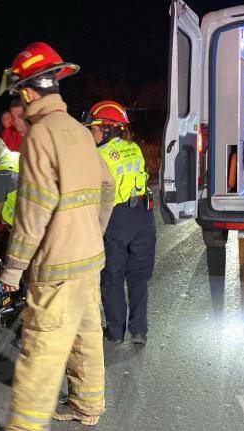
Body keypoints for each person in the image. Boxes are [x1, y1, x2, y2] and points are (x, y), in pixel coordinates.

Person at [0, 42, 115, 431]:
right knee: (85, 334)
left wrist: (13, 268)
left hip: (57, 264)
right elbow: (108, 187)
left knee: (41, 344)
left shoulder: (40, 136)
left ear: (29, 92)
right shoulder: (80, 133)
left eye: (18, 94)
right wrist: (93, 231)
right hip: (88, 259)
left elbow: (34, 210)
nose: (19, 102)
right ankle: (88, 405)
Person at [84, 100, 156, 345]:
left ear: (107, 128)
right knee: (138, 277)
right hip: (143, 217)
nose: (91, 133)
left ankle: (115, 332)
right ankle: (139, 331)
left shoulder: (97, 155)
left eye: (93, 128)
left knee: (112, 278)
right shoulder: (133, 148)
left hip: (115, 219)